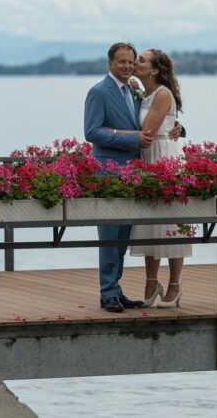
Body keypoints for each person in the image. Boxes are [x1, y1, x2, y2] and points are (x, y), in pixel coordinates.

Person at [84, 42, 148, 312]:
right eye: (121, 61)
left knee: (123, 237)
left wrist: (178, 129)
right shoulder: (98, 91)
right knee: (109, 235)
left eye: (130, 62)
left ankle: (116, 288)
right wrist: (130, 138)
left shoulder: (135, 91)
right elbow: (92, 132)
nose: (126, 66)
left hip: (133, 171)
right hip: (108, 171)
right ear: (110, 63)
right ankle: (107, 292)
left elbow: (146, 123)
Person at [129, 48, 189, 308]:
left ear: (154, 70)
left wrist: (110, 131)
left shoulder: (163, 94)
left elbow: (147, 131)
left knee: (171, 224)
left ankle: (175, 285)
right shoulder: (145, 93)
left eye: (141, 60)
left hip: (164, 158)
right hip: (149, 157)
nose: (135, 62)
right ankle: (151, 282)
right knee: (149, 222)